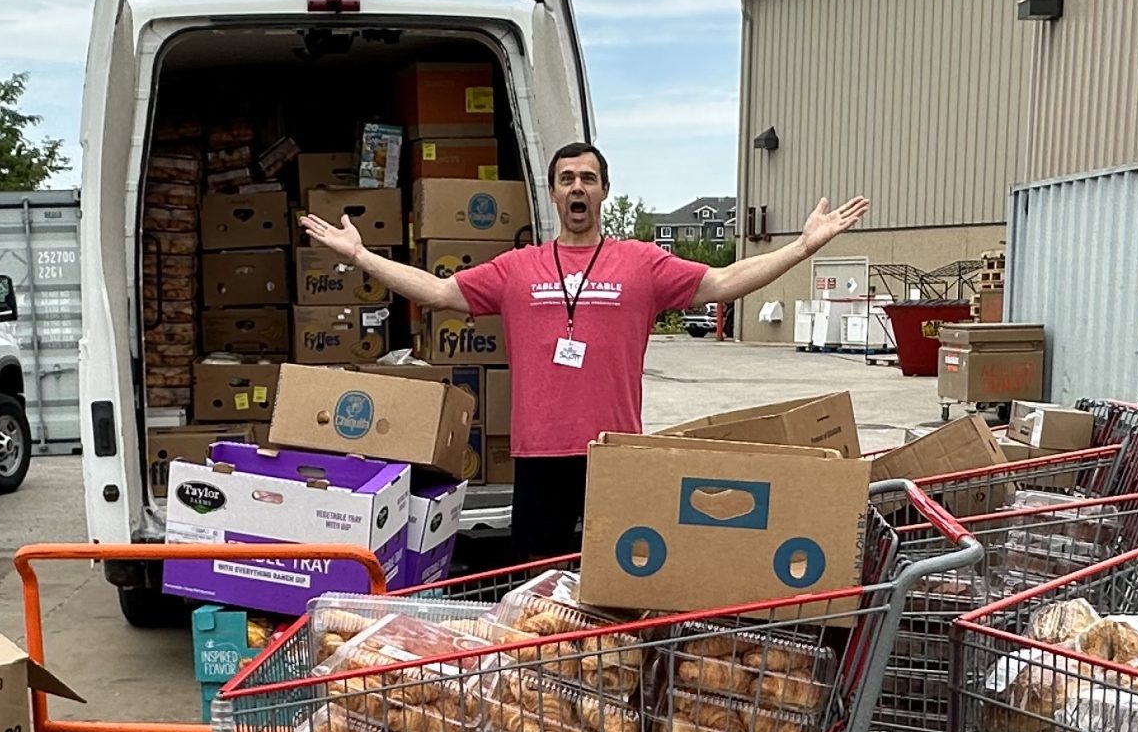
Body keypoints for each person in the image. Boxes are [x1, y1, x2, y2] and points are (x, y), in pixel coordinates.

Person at [296, 140, 869, 561]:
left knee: (616, 585)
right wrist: (362, 257)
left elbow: (721, 281)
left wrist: (801, 247)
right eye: (567, 178)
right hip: (541, 456)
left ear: (603, 191)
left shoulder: (643, 263)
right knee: (534, 590)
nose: (577, 187)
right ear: (552, 192)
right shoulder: (517, 268)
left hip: (615, 455)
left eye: (588, 178)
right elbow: (442, 291)